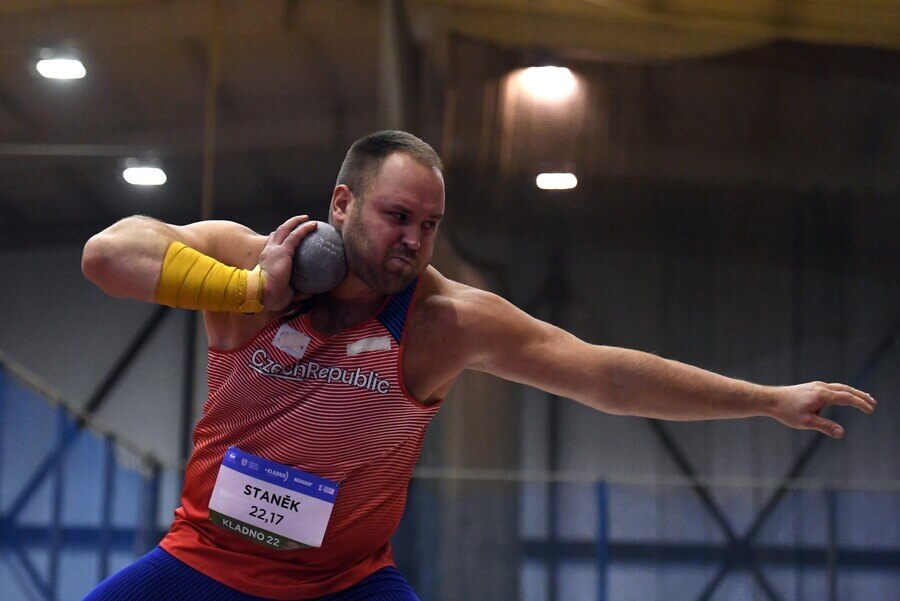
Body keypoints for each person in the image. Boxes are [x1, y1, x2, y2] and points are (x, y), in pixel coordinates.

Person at [80, 130, 876, 601]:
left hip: (344, 586)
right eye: (397, 216)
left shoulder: (444, 322)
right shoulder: (249, 266)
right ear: (343, 204)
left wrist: (766, 397)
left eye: (429, 224)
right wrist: (252, 286)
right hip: (207, 562)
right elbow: (107, 254)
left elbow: (608, 375)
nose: (414, 241)